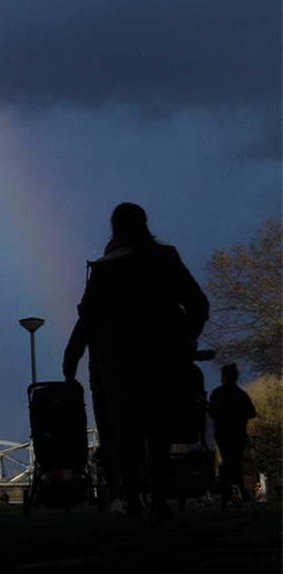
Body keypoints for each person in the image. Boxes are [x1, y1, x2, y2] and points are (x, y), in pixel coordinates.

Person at [62, 202, 209, 518]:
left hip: (117, 364)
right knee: (158, 429)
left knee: (125, 431)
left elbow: (87, 318)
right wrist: (185, 339)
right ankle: (157, 496)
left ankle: (131, 497)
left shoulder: (105, 268)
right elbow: (198, 304)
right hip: (162, 359)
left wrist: (71, 358)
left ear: (114, 228)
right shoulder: (166, 258)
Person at [208, 363, 257, 506]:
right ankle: (238, 489)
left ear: (223, 377)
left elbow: (211, 412)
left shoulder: (217, 394)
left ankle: (227, 490)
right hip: (238, 433)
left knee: (228, 461)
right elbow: (251, 413)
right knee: (235, 461)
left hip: (222, 434)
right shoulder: (241, 394)